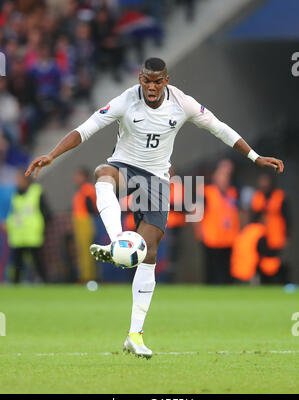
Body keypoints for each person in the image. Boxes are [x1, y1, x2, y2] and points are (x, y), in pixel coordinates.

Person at [25, 57, 284, 358]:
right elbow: (87, 128)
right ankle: (116, 239)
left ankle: (135, 335)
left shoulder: (182, 103)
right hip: (124, 166)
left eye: (157, 81)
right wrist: (52, 155)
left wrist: (255, 157)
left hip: (158, 180)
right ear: (140, 79)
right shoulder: (126, 101)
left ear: (166, 80)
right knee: (102, 174)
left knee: (149, 253)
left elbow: (219, 128)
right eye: (146, 80)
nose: (151, 86)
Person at [193, 159, 240, 284]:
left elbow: (241, 213)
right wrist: (199, 232)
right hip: (211, 238)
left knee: (227, 272)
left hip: (229, 239)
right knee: (212, 272)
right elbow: (195, 213)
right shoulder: (206, 192)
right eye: (223, 174)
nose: (225, 178)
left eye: (228, 174)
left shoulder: (233, 193)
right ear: (215, 175)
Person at [6, 170, 51, 283]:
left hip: (32, 234)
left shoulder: (36, 192)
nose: (18, 182)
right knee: (17, 262)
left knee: (37, 260)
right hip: (18, 235)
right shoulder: (15, 194)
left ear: (27, 180)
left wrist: (41, 226)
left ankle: (44, 281)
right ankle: (15, 283)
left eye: (20, 179)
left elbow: (46, 213)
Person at [72, 167, 98, 283]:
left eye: (79, 176)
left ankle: (88, 277)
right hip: (80, 221)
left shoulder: (87, 189)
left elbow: (91, 207)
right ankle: (85, 275)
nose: (76, 179)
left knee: (86, 252)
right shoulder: (82, 189)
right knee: (82, 251)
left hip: (85, 221)